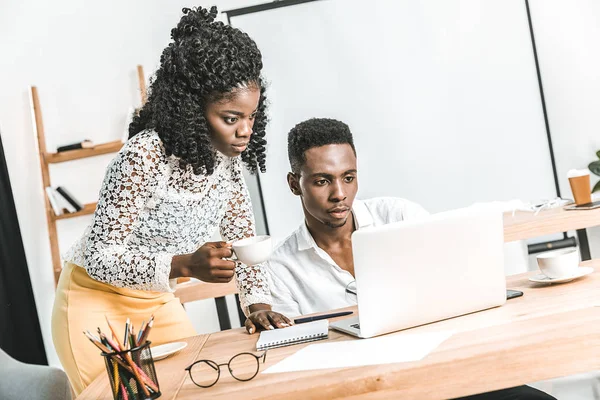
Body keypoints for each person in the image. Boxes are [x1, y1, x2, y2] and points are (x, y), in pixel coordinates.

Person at [51, 6, 290, 395]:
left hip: (157, 302)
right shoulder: (142, 156)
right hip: (93, 304)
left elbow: (242, 238)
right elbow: (99, 255)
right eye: (231, 118)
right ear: (194, 108)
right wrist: (185, 264)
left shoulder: (226, 162)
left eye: (251, 116)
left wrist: (257, 306)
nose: (245, 131)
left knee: (197, 390)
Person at [260, 118, 555, 400]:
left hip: (444, 371)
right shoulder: (279, 268)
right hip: (363, 390)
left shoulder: (398, 216)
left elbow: (454, 280)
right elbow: (294, 360)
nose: (340, 194)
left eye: (348, 178)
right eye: (323, 181)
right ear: (294, 184)